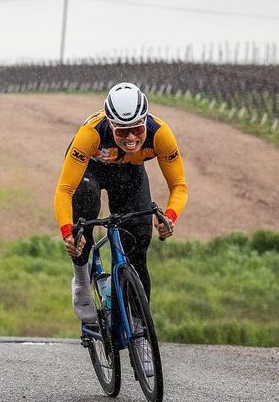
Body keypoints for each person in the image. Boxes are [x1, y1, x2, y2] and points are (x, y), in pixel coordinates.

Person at [54, 82, 187, 324]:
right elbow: (64, 190)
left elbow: (178, 185)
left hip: (128, 173)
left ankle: (140, 330)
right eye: (121, 131)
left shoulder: (160, 133)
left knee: (138, 245)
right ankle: (82, 280)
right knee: (82, 218)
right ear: (110, 124)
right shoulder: (91, 133)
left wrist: (170, 215)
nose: (131, 137)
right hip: (90, 171)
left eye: (137, 129)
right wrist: (67, 233)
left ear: (145, 121)